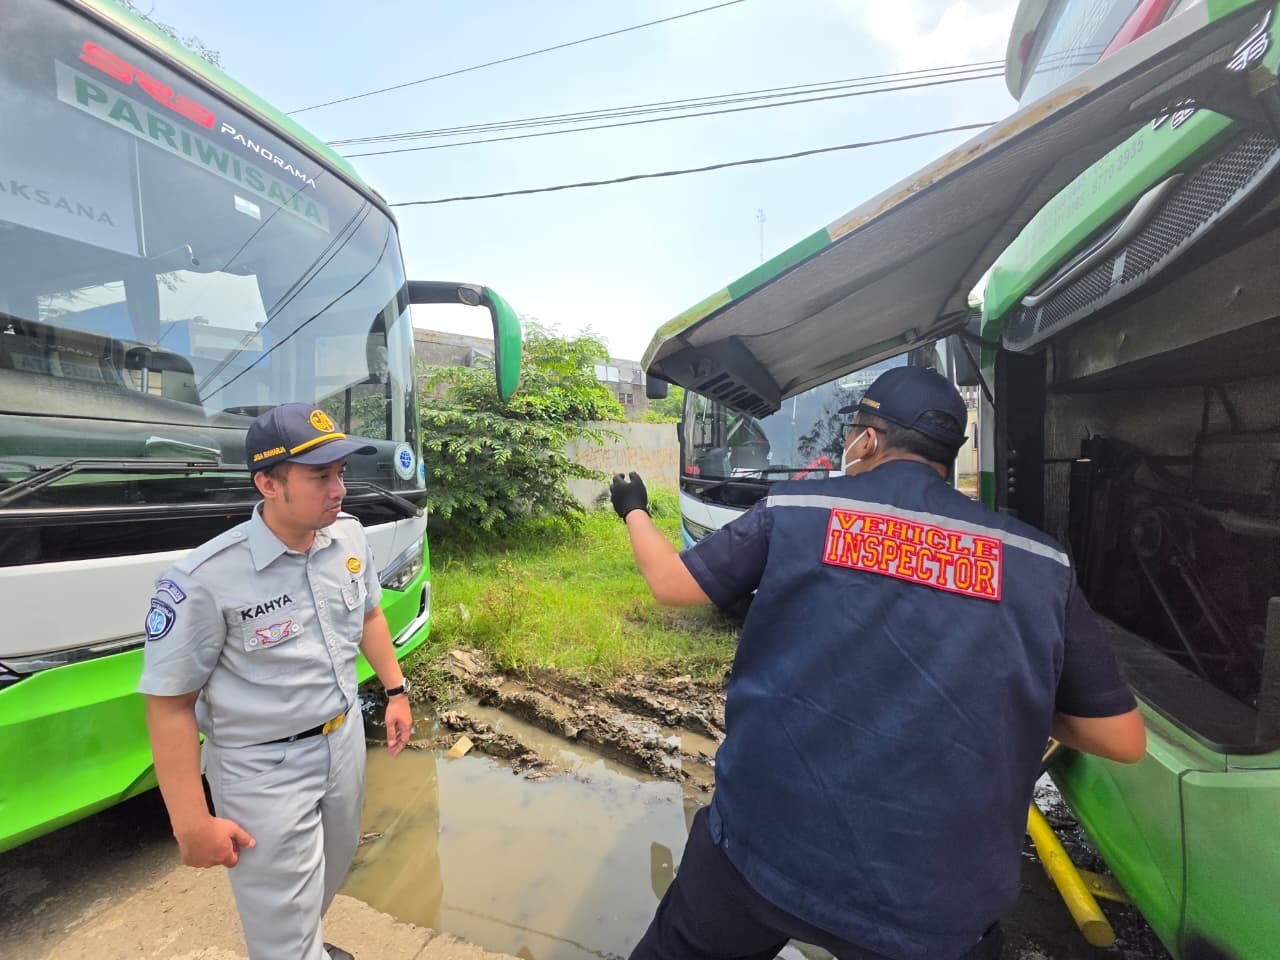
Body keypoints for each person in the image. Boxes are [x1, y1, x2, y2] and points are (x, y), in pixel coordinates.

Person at [610, 366, 1146, 960]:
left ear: (867, 439)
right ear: (948, 457)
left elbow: (671, 582)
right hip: (936, 905)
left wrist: (634, 509)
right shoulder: (1039, 562)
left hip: (762, 852)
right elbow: (1121, 737)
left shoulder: (798, 509)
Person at [138, 403, 415, 960]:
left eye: (340, 472)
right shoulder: (204, 580)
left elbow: (369, 617)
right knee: (280, 921)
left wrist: (395, 689)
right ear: (268, 482)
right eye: (320, 477)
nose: (339, 489)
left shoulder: (348, 540)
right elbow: (170, 705)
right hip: (262, 771)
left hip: (342, 744)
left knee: (327, 875)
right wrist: (190, 822)